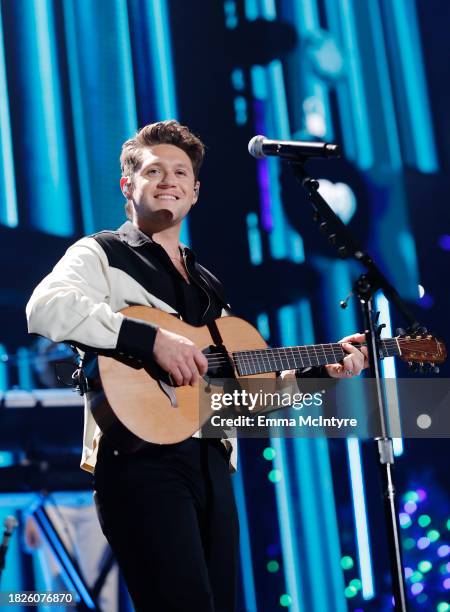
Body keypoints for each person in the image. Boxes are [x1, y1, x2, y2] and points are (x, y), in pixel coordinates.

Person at [26, 120, 368, 611]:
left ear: (196, 192)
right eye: (153, 170)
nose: (169, 180)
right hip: (139, 460)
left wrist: (321, 371)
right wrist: (150, 340)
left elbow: (243, 396)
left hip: (210, 461)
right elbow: (45, 307)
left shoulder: (208, 284)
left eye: (181, 172)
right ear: (128, 185)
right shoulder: (101, 252)